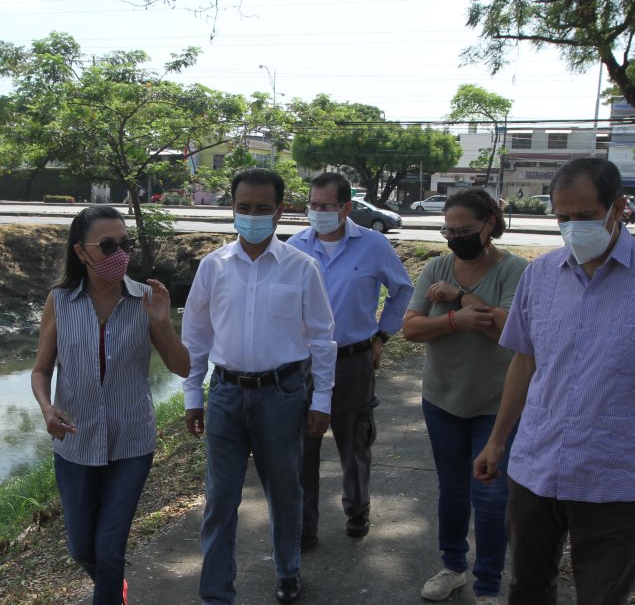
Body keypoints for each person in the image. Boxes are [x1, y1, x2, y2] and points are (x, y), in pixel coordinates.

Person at [473, 158, 635, 604]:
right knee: (527, 589)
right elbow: (524, 364)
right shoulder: (540, 274)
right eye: (562, 218)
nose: (573, 227)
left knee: (603, 596)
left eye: (585, 216)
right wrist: (496, 441)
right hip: (536, 469)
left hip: (615, 478)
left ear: (618, 208)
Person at [182, 168, 337, 605]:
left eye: (262, 208)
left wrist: (322, 400)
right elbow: (195, 336)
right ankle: (216, 593)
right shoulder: (213, 266)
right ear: (232, 208)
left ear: (279, 211)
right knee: (220, 499)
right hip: (226, 394)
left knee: (285, 493)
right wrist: (193, 395)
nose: (252, 216)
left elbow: (322, 338)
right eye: (244, 207)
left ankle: (288, 570)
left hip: (282, 395)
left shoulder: (301, 267)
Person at [30, 206, 191, 605]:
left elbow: (182, 367)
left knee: (109, 546)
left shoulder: (145, 299)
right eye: (107, 245)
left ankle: (110, 591)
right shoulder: (59, 301)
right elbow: (41, 370)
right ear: (80, 251)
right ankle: (113, 584)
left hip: (132, 443)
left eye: (125, 244)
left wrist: (163, 322)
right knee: (81, 548)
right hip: (75, 442)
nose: (119, 253)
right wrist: (47, 409)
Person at [401, 188, 528, 604]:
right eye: (449, 231)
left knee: (490, 496)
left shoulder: (514, 271)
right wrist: (457, 319)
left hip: (497, 404)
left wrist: (456, 295)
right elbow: (411, 328)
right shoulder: (436, 266)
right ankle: (453, 567)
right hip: (442, 400)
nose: (456, 239)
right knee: (452, 490)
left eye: (465, 230)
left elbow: (509, 330)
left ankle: (488, 585)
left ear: (490, 224)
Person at [286, 171, 414, 548]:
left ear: (346, 208)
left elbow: (402, 289)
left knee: (354, 440)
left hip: (352, 360)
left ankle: (358, 508)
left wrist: (382, 335)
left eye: (326, 206)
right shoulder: (294, 247)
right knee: (303, 446)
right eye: (313, 205)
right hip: (304, 362)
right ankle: (304, 525)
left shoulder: (373, 245)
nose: (318, 212)